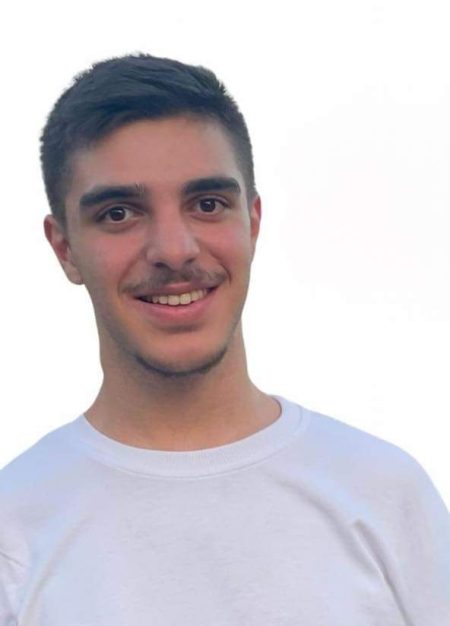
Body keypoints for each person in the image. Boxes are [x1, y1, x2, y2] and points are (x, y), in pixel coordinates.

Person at [1, 53, 449, 626]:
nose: (174, 250)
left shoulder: (385, 495)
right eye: (118, 214)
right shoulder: (14, 528)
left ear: (252, 223)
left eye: (207, 204)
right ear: (64, 248)